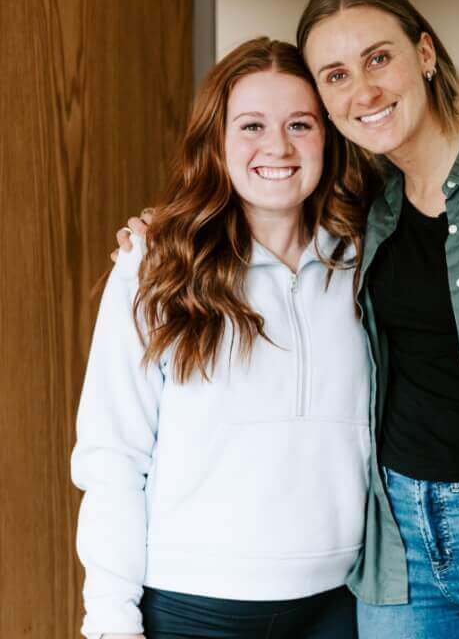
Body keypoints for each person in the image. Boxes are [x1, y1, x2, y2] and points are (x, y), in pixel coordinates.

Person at [117, 0, 459, 639]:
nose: (362, 90)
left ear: (424, 54)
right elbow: (262, 194)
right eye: (334, 75)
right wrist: (170, 229)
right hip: (395, 546)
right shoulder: (369, 203)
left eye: (378, 58)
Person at [72, 37, 382, 639]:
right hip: (192, 607)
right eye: (251, 126)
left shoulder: (365, 259)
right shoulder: (155, 265)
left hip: (339, 604)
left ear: (329, 137)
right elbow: (113, 455)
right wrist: (110, 620)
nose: (278, 147)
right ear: (216, 142)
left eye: (300, 123)